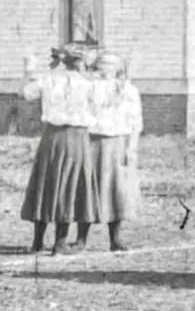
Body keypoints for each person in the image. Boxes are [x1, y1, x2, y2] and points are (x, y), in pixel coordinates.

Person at [20, 44, 100, 255]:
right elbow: (100, 109)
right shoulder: (89, 84)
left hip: (52, 137)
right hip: (77, 137)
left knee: (46, 184)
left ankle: (37, 242)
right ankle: (59, 243)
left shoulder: (48, 79)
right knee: (71, 186)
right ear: (81, 63)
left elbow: (27, 93)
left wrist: (29, 69)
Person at [73, 51, 143, 252]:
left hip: (117, 142)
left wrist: (132, 148)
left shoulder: (129, 91)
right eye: (102, 64)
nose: (106, 68)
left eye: (111, 64)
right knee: (87, 188)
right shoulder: (87, 88)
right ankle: (80, 239)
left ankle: (115, 239)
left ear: (118, 68)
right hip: (91, 141)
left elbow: (136, 123)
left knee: (116, 190)